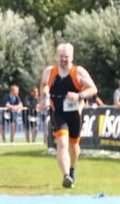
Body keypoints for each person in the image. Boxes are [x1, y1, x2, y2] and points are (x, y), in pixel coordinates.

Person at [40, 43, 97, 189]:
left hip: (75, 114)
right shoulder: (49, 71)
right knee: (62, 143)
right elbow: (44, 85)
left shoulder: (78, 72)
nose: (64, 59)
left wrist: (79, 95)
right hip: (57, 112)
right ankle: (66, 175)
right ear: (57, 57)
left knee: (74, 145)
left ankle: (71, 169)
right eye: (61, 56)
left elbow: (93, 89)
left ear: (71, 57)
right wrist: (44, 95)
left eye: (66, 57)